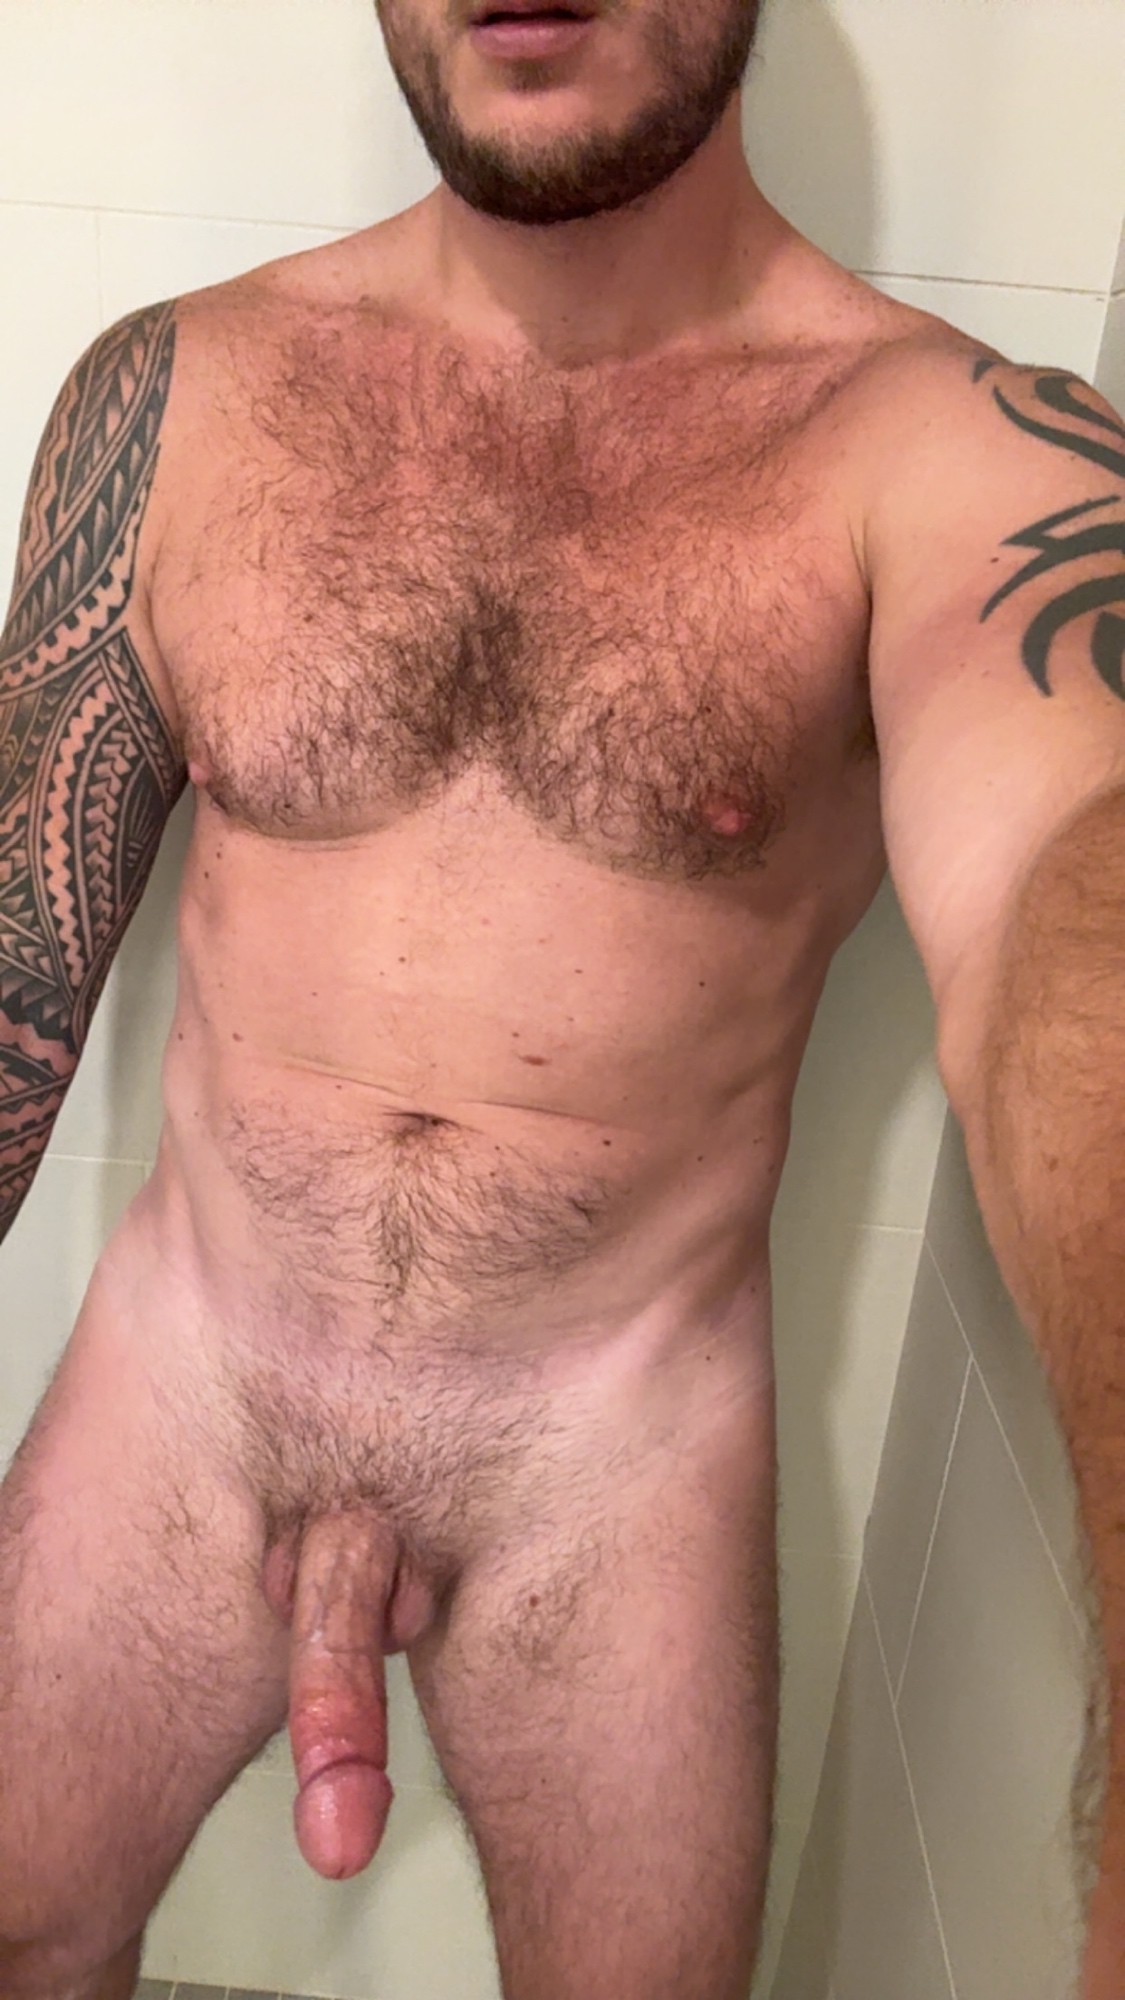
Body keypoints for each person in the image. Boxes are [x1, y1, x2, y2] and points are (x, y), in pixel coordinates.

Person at [1, 2, 1123, 1995]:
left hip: (611, 1440)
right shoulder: (176, 392)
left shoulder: (953, 456)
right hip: (190, 1362)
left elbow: (1073, 893)